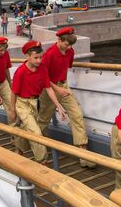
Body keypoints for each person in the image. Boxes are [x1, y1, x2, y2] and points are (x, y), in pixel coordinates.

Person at [37, 27, 95, 168]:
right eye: (67, 44)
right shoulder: (49, 55)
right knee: (43, 120)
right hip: (49, 89)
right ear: (59, 40)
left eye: (71, 45)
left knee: (77, 115)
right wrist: (58, 88)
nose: (69, 48)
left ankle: (83, 153)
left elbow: (67, 67)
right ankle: (38, 147)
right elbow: (43, 77)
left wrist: (63, 87)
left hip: (64, 86)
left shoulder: (70, 52)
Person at [12, 41, 66, 163]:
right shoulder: (20, 72)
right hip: (23, 104)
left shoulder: (42, 70)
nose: (39, 60)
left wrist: (58, 106)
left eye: (41, 57)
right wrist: (12, 110)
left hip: (35, 103)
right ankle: (42, 161)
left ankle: (19, 148)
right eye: (36, 58)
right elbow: (14, 92)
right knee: (36, 133)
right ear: (28, 56)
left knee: (28, 129)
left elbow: (48, 88)